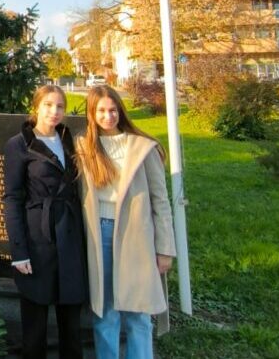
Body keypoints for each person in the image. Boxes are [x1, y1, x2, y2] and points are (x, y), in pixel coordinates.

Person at [74, 85, 176, 359]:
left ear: (120, 110)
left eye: (113, 110)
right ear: (92, 114)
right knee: (104, 312)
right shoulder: (84, 147)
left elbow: (160, 200)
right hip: (100, 234)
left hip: (136, 236)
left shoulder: (143, 148)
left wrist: (165, 248)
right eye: (101, 111)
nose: (108, 116)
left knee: (138, 313)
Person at [3, 85, 87, 359]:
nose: (54, 111)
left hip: (70, 237)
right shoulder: (19, 144)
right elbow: (12, 198)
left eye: (60, 106)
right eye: (48, 105)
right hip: (38, 240)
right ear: (36, 106)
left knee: (71, 326)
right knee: (35, 329)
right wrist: (19, 251)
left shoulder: (69, 140)